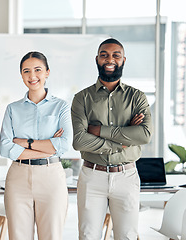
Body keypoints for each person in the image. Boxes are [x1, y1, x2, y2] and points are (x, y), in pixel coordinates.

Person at [71, 38, 153, 239]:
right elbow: (79, 141)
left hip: (126, 175)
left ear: (123, 60)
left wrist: (101, 131)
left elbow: (144, 135)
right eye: (104, 55)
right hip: (92, 175)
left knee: (127, 235)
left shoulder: (137, 97)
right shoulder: (82, 98)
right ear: (97, 59)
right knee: (88, 235)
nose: (110, 59)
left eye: (116, 55)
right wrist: (123, 140)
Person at [0, 51, 72, 240]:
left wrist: (25, 143)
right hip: (18, 178)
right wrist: (46, 147)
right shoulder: (13, 108)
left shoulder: (61, 107)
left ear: (47, 72)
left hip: (51, 178)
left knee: (51, 236)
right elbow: (6, 147)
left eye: (38, 70)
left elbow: (63, 145)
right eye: (26, 71)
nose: (32, 76)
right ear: (21, 75)